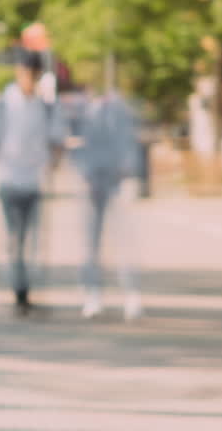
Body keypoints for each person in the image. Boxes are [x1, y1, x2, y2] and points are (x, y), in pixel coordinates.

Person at [0, 49, 66, 316]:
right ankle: (20, 292)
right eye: (25, 73)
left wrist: (54, 158)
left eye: (33, 74)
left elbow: (56, 140)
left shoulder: (45, 106)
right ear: (18, 73)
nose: (29, 79)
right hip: (9, 179)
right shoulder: (4, 102)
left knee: (31, 241)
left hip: (34, 181)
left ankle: (25, 288)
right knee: (16, 238)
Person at [65, 82, 144, 321]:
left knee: (123, 241)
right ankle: (92, 293)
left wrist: (128, 171)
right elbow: (74, 145)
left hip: (116, 181)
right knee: (92, 242)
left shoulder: (121, 110)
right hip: (92, 181)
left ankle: (131, 294)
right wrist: (82, 171)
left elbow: (130, 143)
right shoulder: (81, 110)